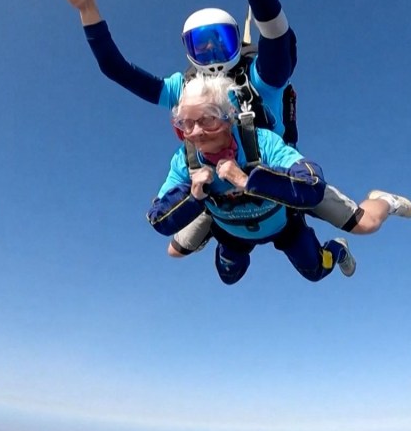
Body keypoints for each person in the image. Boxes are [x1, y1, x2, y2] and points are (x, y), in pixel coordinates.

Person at [53, 0, 411, 258]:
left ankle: (383, 200)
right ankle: (220, 224)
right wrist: (88, 11)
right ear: (188, 51)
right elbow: (117, 70)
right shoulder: (183, 90)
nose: (211, 53)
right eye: (201, 45)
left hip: (275, 178)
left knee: (364, 224)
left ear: (236, 43)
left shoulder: (257, 78)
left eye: (219, 42)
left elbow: (276, 35)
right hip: (217, 187)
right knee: (175, 251)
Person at [147, 75, 354, 284]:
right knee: (228, 276)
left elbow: (313, 184)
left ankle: (338, 249)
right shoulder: (185, 160)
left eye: (208, 120)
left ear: (229, 116)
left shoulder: (260, 141)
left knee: (316, 270)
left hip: (283, 225)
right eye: (186, 124)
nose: (197, 133)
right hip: (232, 231)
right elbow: (158, 219)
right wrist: (193, 197)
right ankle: (209, 221)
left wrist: (249, 181)